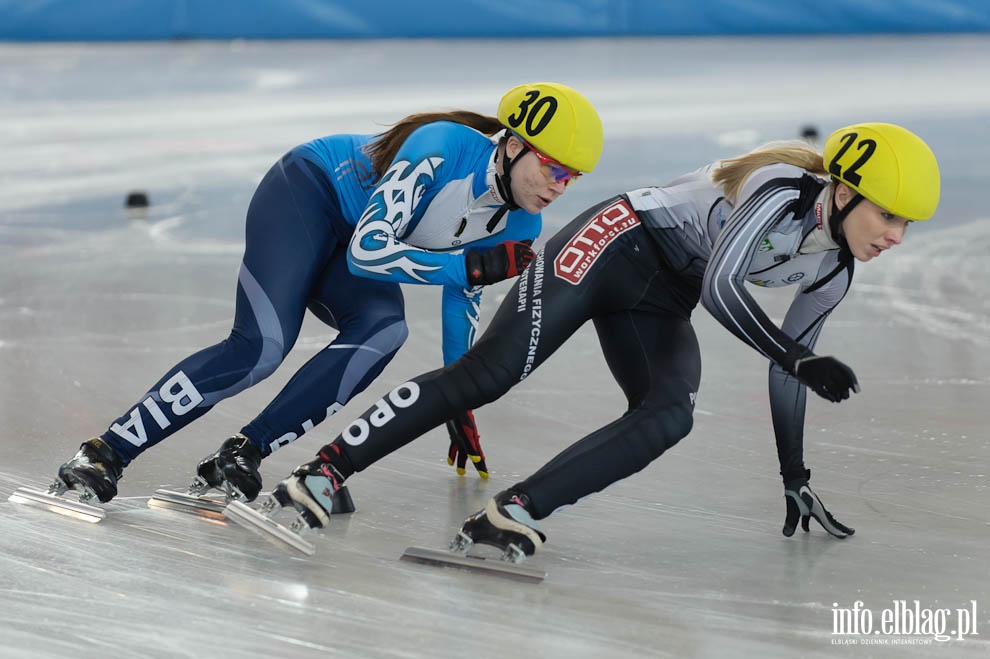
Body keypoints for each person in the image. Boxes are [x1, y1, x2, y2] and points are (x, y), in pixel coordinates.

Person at [257, 122, 940, 559]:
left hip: (660, 295)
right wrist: (797, 354)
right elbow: (725, 290)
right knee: (491, 371)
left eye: (907, 224)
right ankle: (323, 471)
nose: (895, 237)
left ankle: (513, 512)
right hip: (614, 240)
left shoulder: (834, 266)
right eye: (889, 216)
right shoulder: (779, 188)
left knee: (669, 413)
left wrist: (795, 475)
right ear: (843, 192)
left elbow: (792, 374)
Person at [52, 81, 604, 504]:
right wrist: (463, 266)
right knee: (262, 346)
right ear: (512, 145)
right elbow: (369, 249)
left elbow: (463, 302)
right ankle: (105, 452)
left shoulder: (521, 226)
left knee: (386, 330)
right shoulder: (442, 147)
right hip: (309, 196)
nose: (561, 185)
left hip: (353, 244)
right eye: (554, 167)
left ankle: (240, 453)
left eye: (573, 177)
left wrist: (457, 395)